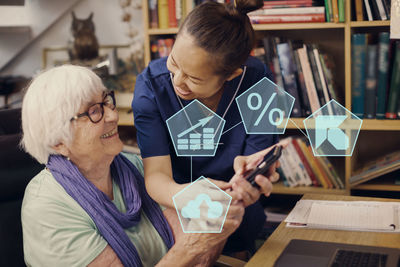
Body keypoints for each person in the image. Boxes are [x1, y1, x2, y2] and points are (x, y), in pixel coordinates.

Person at [20, 65, 248, 267]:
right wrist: (194, 246)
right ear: (57, 141)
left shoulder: (134, 167)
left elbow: (197, 244)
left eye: (106, 101)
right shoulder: (46, 207)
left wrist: (229, 198)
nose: (112, 115)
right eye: (94, 111)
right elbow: (193, 246)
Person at [132, 0, 279, 256]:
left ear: (231, 75)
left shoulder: (259, 81)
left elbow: (259, 155)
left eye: (194, 78)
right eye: (174, 63)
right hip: (177, 221)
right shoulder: (151, 88)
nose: (177, 81)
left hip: (239, 219)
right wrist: (187, 196)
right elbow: (156, 177)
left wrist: (250, 179)